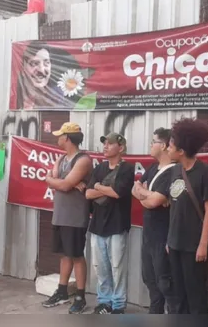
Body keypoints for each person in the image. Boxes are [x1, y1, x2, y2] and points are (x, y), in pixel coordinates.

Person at [164, 118, 208, 314]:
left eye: (170, 145)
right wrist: (170, 239)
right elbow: (174, 207)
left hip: (193, 246)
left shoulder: (205, 171)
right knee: (179, 296)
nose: (167, 149)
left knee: (196, 296)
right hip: (175, 243)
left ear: (181, 151)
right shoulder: (175, 170)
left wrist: (203, 244)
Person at [42, 122, 93, 314]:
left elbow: (62, 185)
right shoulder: (62, 158)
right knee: (65, 254)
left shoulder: (83, 160)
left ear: (68, 138)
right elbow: (55, 181)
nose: (57, 139)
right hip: (61, 214)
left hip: (75, 216)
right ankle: (62, 291)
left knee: (77, 255)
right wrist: (57, 181)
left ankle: (80, 296)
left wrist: (56, 181)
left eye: (60, 136)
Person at [85, 133, 135, 314]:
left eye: (110, 144)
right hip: (97, 225)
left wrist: (98, 187)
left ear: (120, 148)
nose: (105, 147)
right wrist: (101, 189)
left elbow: (117, 193)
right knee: (100, 266)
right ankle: (104, 301)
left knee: (117, 267)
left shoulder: (127, 169)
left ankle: (118, 304)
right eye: (104, 144)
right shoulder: (99, 168)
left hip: (117, 224)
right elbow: (87, 194)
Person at [131, 127, 177, 314]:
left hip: (163, 236)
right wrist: (148, 195)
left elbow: (154, 202)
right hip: (148, 235)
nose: (150, 145)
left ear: (164, 145)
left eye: (153, 142)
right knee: (150, 279)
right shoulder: (152, 167)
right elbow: (136, 189)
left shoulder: (173, 171)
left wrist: (149, 196)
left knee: (165, 282)